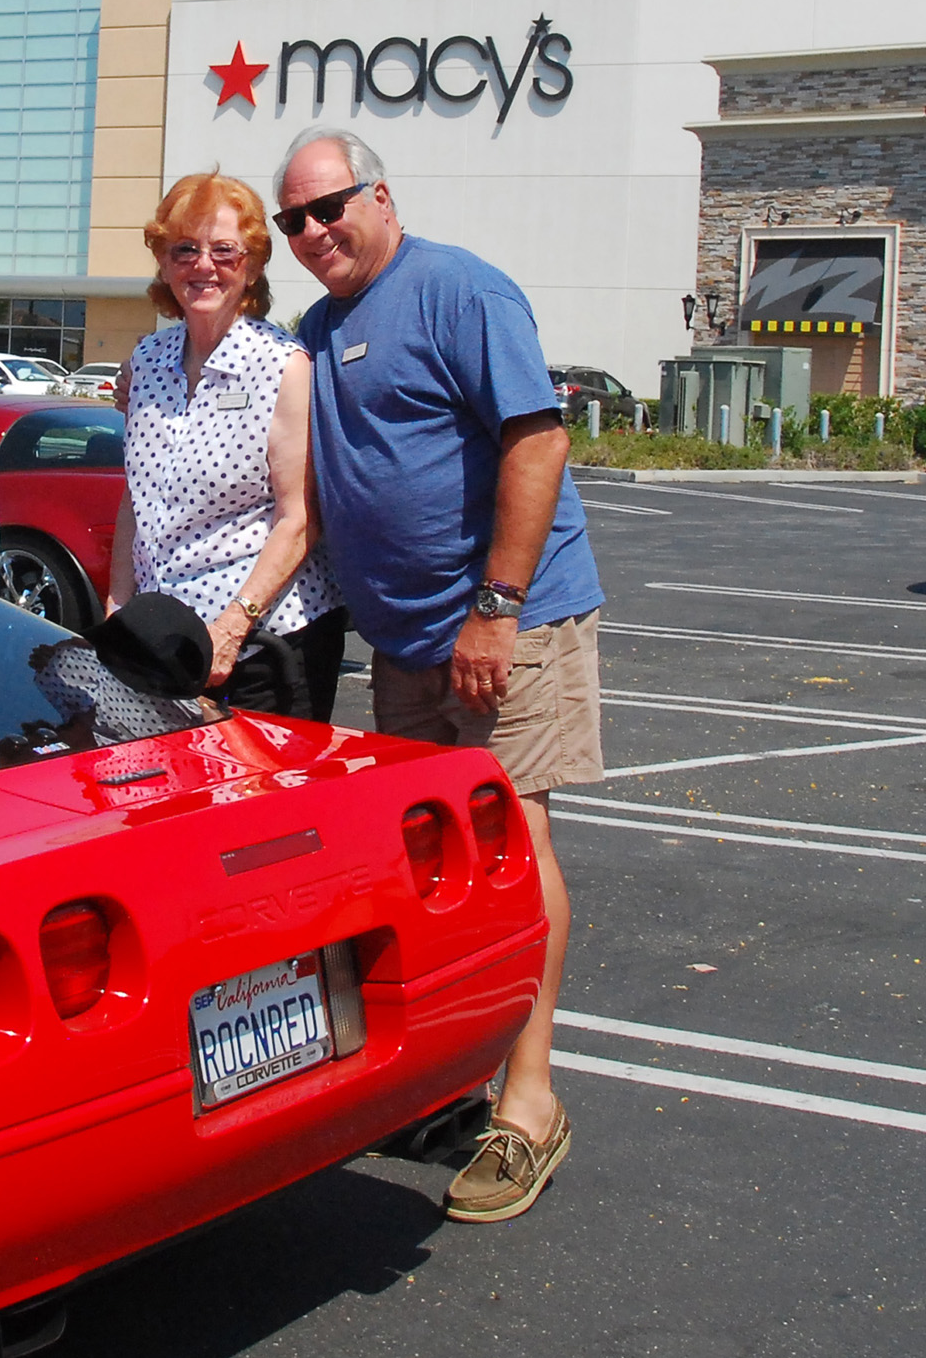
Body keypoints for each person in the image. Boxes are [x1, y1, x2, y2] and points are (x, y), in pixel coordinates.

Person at [275, 124, 603, 1223]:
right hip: (406, 645)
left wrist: (496, 609)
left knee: (519, 840)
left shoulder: (460, 289)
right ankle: (457, 1077)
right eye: (295, 222)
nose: (315, 233)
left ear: (381, 194)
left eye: (330, 208)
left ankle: (532, 1103)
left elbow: (539, 441)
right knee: (438, 866)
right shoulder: (320, 328)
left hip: (505, 627)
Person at [107, 171, 345, 721]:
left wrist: (231, 628)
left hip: (267, 645)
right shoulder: (146, 360)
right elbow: (134, 499)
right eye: (184, 249)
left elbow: (299, 518)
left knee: (261, 803)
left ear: (254, 264)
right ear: (164, 264)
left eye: (224, 251)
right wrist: (119, 605)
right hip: (165, 639)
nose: (203, 266)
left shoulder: (282, 366)